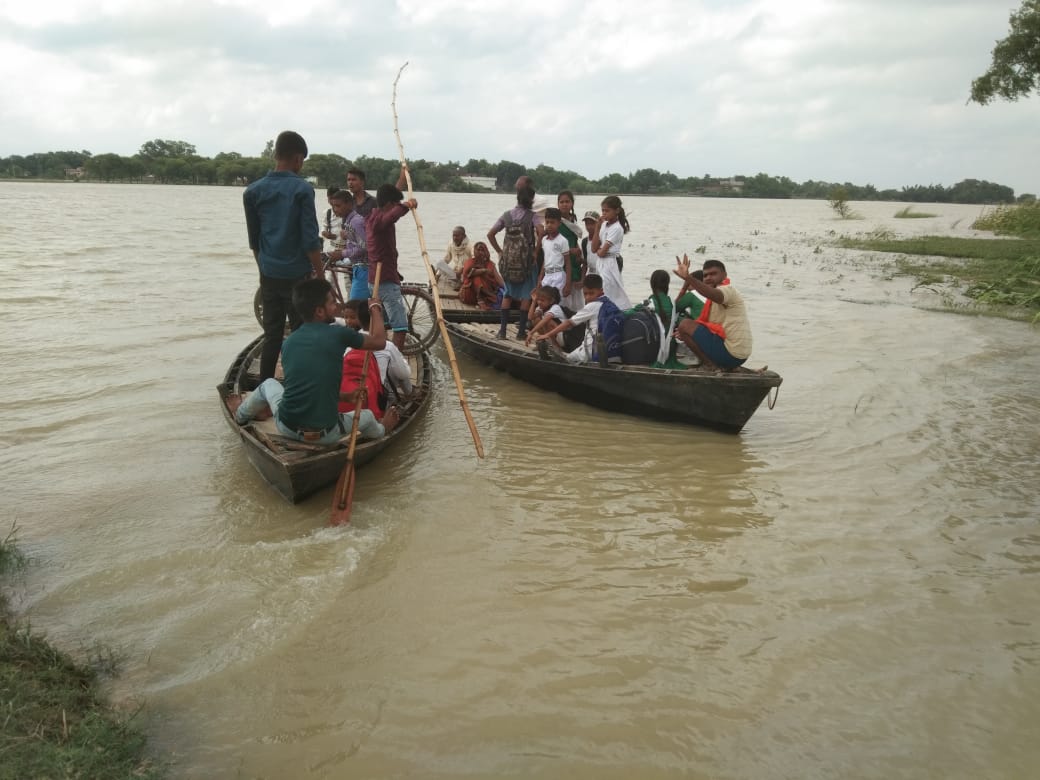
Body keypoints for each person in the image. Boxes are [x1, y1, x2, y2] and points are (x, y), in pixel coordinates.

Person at [228, 278, 393, 444]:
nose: (336, 307)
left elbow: (310, 386)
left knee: (269, 384)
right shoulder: (340, 334)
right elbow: (380, 341)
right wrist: (375, 309)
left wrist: (345, 397)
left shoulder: (289, 342)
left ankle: (241, 415)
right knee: (368, 416)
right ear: (319, 311)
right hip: (325, 435)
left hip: (286, 427)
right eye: (332, 303)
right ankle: (382, 430)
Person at [243, 130, 324, 382]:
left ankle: (265, 391)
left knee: (272, 336)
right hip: (297, 277)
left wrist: (263, 271)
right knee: (301, 336)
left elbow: (254, 242)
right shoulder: (302, 190)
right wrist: (320, 276)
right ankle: (299, 387)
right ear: (298, 158)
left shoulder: (252, 192)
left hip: (268, 275)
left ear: (276, 154)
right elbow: (311, 241)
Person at [673, 256, 753, 371]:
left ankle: (709, 365)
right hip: (739, 355)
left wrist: (688, 278)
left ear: (724, 275)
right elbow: (707, 327)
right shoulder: (711, 301)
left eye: (713, 274)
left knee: (685, 325)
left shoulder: (728, 290)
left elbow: (715, 295)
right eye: (705, 275)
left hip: (731, 353)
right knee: (685, 329)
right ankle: (724, 366)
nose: (708, 278)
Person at [487, 184, 544, 339]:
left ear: (517, 198)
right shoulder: (533, 216)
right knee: (526, 295)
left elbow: (490, 234)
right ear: (532, 199)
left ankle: (503, 331)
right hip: (527, 264)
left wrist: (500, 252)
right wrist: (535, 251)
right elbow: (541, 232)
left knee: (507, 294)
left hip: (509, 263)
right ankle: (520, 334)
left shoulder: (506, 215)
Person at [365, 181, 417, 351]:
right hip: (384, 280)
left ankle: (383, 357)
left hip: (378, 278)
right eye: (394, 205)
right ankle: (396, 363)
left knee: (382, 323)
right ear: (388, 204)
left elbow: (391, 209)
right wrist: (407, 205)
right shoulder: (379, 221)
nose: (396, 208)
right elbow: (392, 215)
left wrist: (402, 175)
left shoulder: (373, 216)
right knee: (400, 327)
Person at [536, 273, 621, 364]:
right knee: (566, 355)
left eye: (591, 293)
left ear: (601, 291)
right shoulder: (610, 304)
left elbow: (568, 323)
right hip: (612, 353)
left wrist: (548, 335)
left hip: (589, 352)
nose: (588, 297)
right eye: (585, 294)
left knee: (564, 359)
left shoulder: (592, 306)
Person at [341, 300, 414, 396]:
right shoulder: (388, 346)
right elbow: (403, 374)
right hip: (377, 396)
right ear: (380, 319)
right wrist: (404, 363)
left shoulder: (348, 344)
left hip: (354, 393)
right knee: (401, 368)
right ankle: (410, 395)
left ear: (358, 319)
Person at [324, 189, 370, 300]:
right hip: (357, 267)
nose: (335, 210)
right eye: (333, 206)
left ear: (349, 204)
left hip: (364, 268)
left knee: (355, 304)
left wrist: (342, 254)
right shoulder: (348, 221)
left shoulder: (356, 222)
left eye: (338, 206)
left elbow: (364, 247)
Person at [589, 195, 632, 309]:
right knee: (601, 290)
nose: (604, 213)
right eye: (603, 210)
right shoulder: (603, 225)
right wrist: (597, 228)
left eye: (607, 211)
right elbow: (593, 249)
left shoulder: (617, 228)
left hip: (610, 262)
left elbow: (602, 252)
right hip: (601, 263)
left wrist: (599, 250)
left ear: (616, 210)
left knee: (609, 291)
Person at [557, 191, 584, 310]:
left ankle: (576, 323)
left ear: (572, 204)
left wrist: (579, 252)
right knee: (563, 295)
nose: (564, 204)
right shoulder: (556, 221)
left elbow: (573, 239)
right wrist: (569, 250)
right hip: (560, 260)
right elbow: (553, 243)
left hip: (574, 261)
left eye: (567, 202)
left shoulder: (573, 220)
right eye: (561, 202)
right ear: (558, 204)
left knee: (576, 297)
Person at [458, 241, 503, 309]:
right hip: (470, 293)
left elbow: (499, 279)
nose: (480, 252)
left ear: (486, 252)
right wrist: (483, 271)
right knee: (476, 277)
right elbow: (467, 275)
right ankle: (481, 299)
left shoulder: (490, 264)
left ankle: (485, 298)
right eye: (478, 250)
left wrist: (507, 289)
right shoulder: (470, 262)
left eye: (482, 250)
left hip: (488, 294)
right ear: (474, 251)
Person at [321, 185, 346, 254]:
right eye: (330, 198)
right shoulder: (327, 213)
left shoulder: (347, 212)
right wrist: (325, 233)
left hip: (347, 250)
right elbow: (323, 228)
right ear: (328, 199)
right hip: (332, 248)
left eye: (335, 198)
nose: (333, 201)